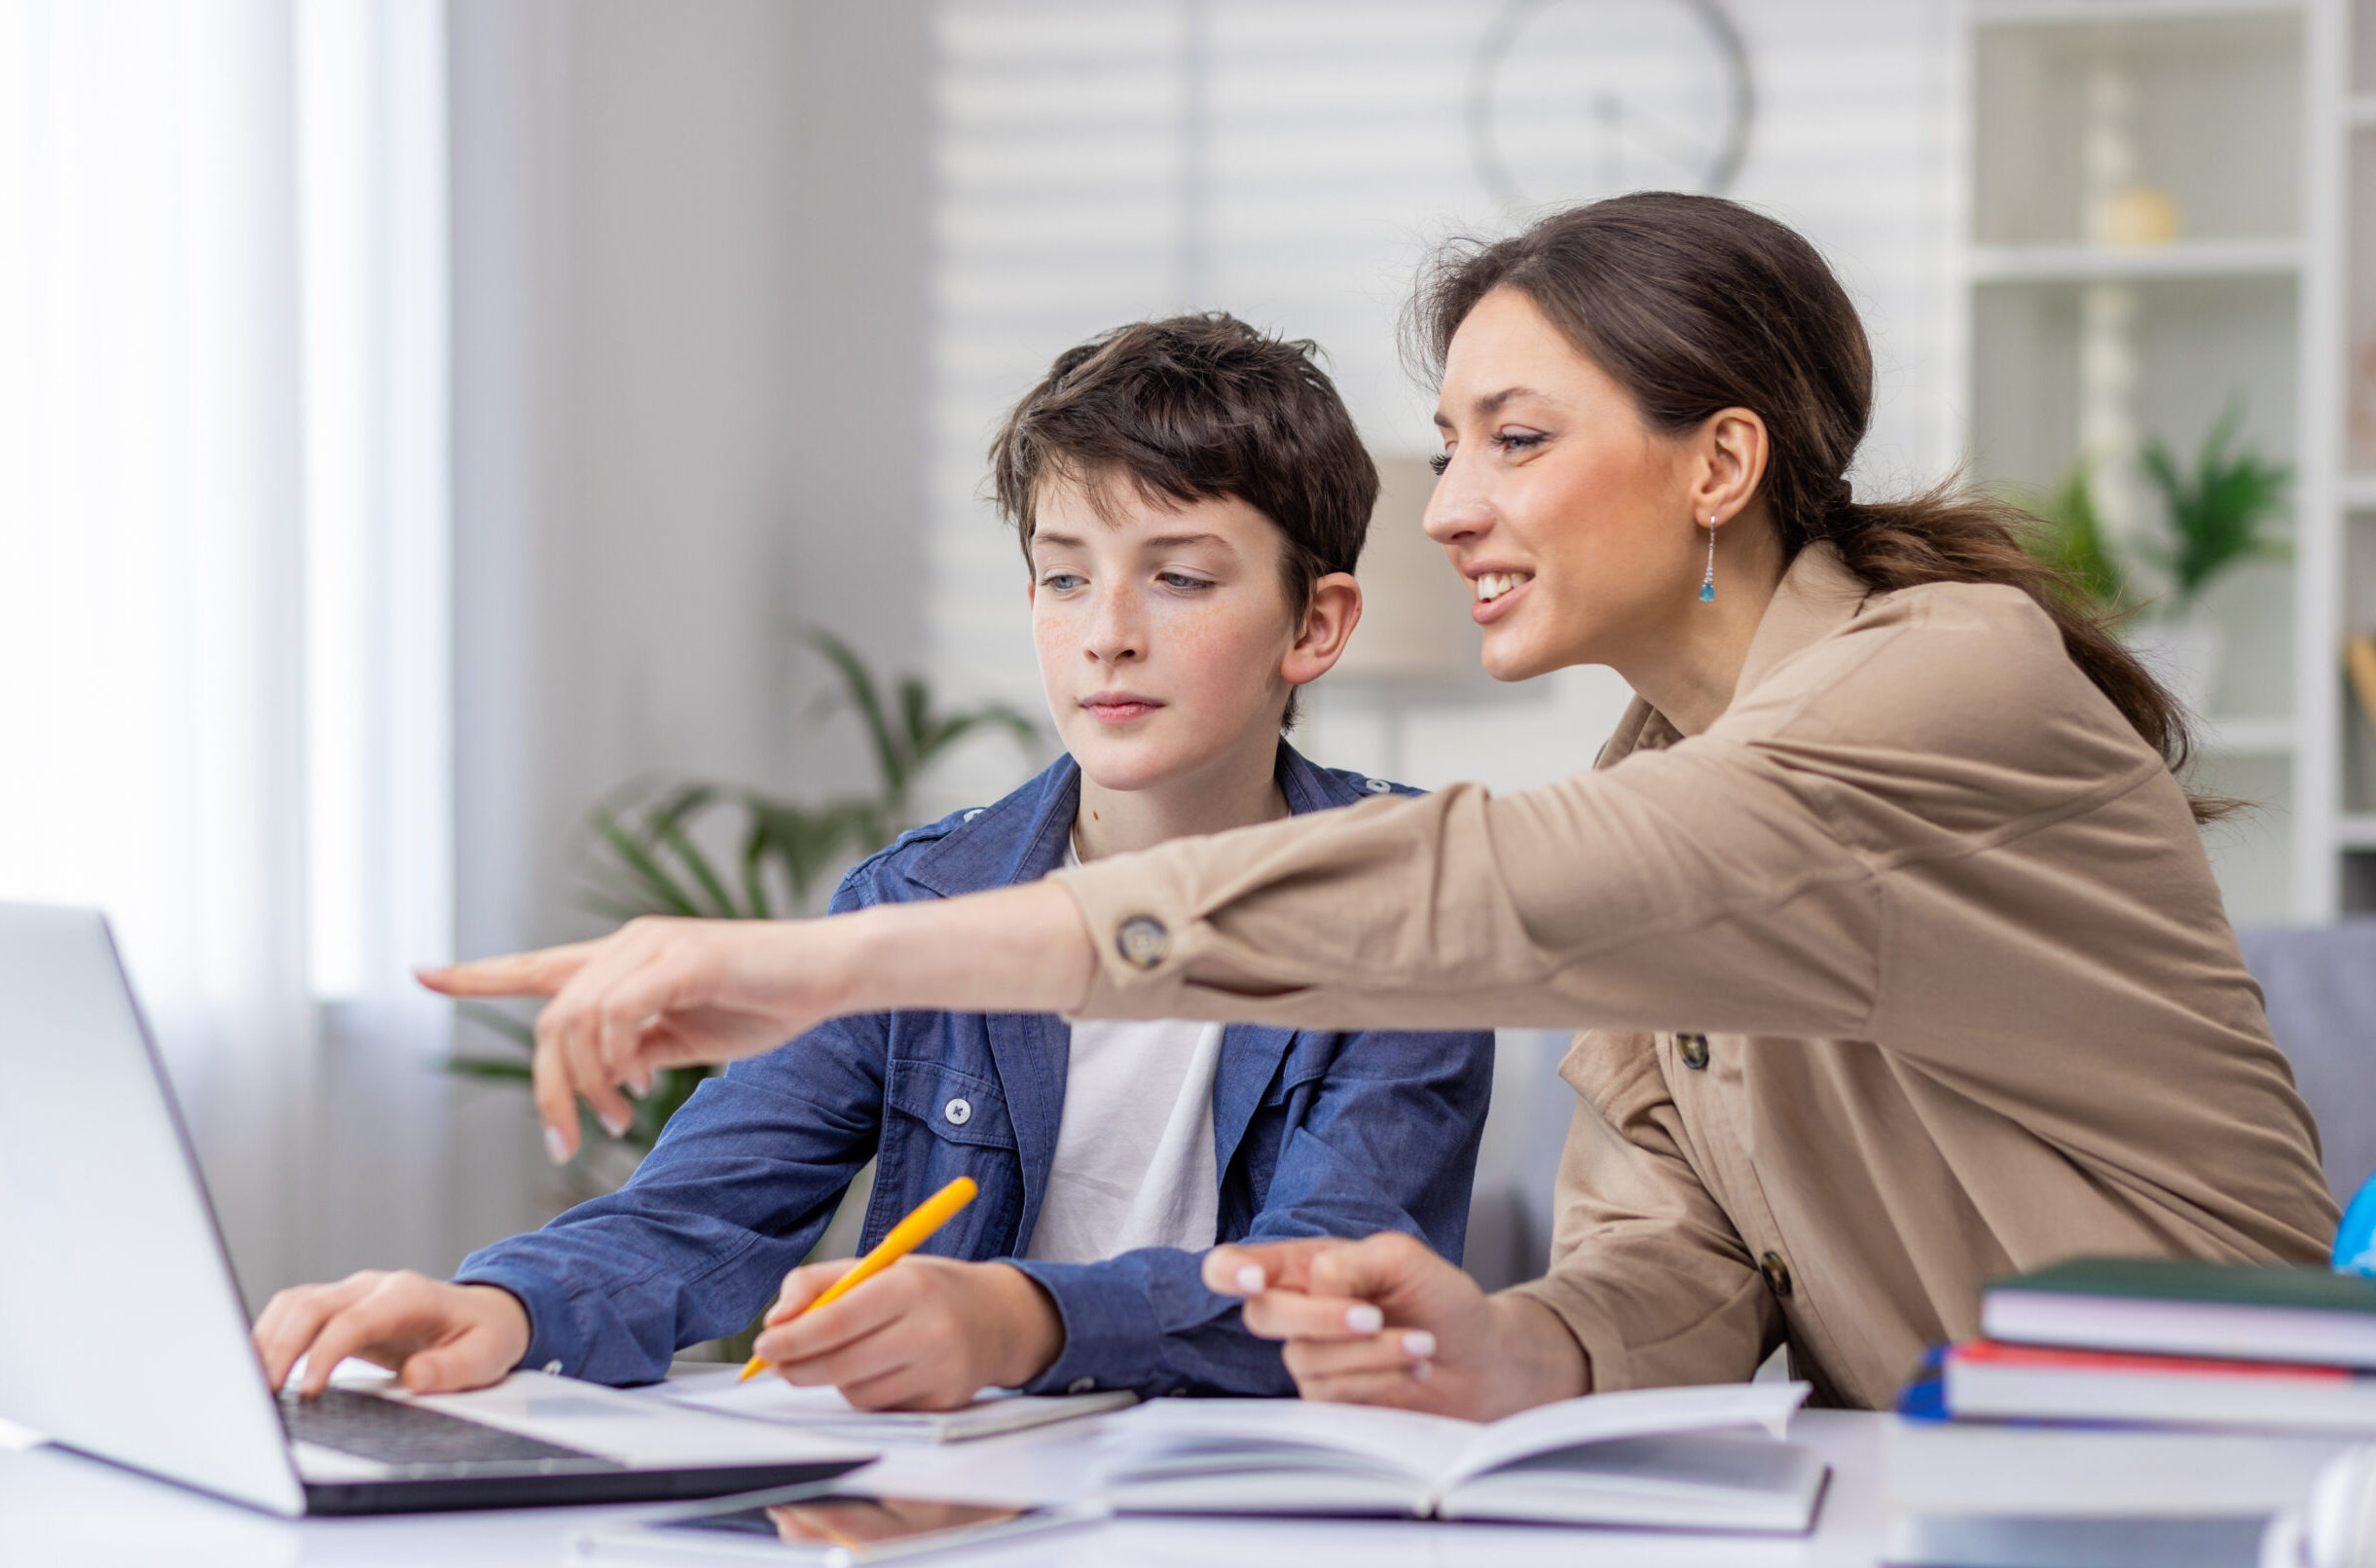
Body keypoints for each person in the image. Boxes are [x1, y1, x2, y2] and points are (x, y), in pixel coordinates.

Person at [413, 194, 2338, 1417]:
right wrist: (1509, 1345)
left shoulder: (1948, 672)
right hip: (1952, 1497)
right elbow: (1672, 1255)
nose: (1447, 509)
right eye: (1445, 450)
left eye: (1515, 441)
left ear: (1714, 464)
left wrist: (827, 961)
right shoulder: (1645, 797)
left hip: (2229, 1462)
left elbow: (1496, 885)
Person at [250, 314, 1494, 1409]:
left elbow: (1327, 1293)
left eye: (1175, 579)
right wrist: (507, 1310)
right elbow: (703, 1216)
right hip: (954, 1502)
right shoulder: (917, 903)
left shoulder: (1409, 901)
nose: (1106, 636)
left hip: (1258, 1535)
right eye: (1064, 578)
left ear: (1315, 624)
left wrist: (1016, 1320)